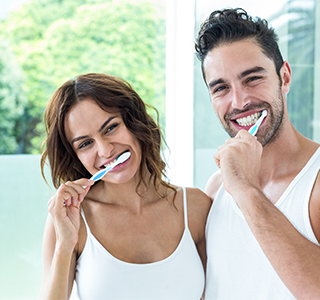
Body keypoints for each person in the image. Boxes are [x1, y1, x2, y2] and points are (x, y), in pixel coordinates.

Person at [195, 8, 320, 299]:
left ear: (284, 77)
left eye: (252, 79)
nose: (240, 101)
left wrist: (246, 189)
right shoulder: (217, 186)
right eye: (221, 88)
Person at [39, 73, 215, 300]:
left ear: (135, 123)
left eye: (110, 128)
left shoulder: (196, 207)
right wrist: (65, 245)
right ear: (75, 156)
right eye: (85, 143)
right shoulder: (70, 220)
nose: (104, 150)